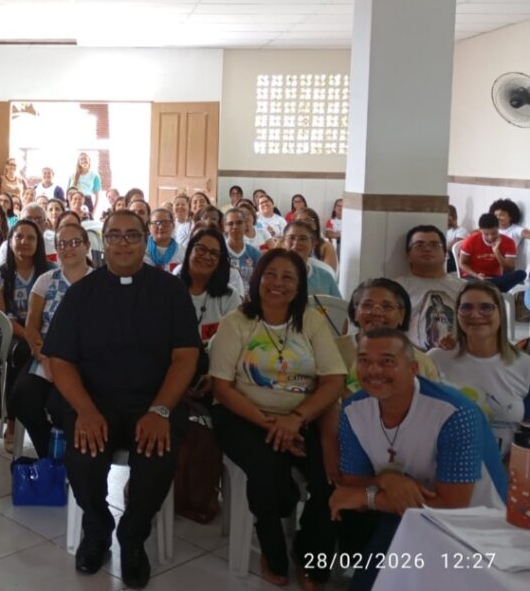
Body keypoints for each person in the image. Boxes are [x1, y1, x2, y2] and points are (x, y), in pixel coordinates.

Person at [41, 210, 200, 588]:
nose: (123, 243)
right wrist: (85, 410)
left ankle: (133, 537)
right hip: (94, 401)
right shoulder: (82, 294)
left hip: (155, 400)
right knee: (82, 455)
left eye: (132, 235)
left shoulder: (170, 291)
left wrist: (160, 410)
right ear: (104, 242)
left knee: (158, 455)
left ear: (146, 240)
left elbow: (186, 357)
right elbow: (59, 361)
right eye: (115, 235)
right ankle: (97, 529)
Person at [330, 328, 506, 591]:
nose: (373, 370)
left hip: (474, 526)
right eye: (364, 360)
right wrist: (387, 480)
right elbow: (352, 482)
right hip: (404, 514)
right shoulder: (353, 409)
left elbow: (452, 505)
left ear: (413, 369)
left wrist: (368, 497)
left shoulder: (455, 413)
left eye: (387, 361)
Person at [209, 248, 345, 588]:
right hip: (241, 415)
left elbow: (333, 380)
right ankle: (272, 549)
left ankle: (310, 553)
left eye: (288, 277)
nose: (277, 283)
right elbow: (222, 388)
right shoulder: (237, 323)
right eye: (270, 274)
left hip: (303, 416)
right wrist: (271, 424)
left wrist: (295, 419)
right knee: (268, 473)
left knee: (330, 477)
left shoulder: (311, 321)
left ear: (299, 286)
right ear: (257, 279)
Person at [11, 222, 91, 458]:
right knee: (22, 397)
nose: (68, 248)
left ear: (87, 246)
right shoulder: (46, 281)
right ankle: (51, 457)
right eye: (62, 244)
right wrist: (42, 355)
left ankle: (73, 458)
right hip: (46, 354)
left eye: (75, 242)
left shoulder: (99, 281)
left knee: (61, 405)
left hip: (84, 360)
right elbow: (31, 325)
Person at [428, 280, 530, 457]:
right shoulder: (436, 359)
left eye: (486, 307)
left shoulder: (524, 365)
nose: (475, 314)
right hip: (444, 467)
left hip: (504, 469)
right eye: (466, 307)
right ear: (457, 314)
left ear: (501, 313)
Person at [0, 219, 53, 453]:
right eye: (19, 237)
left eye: (31, 237)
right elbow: (2, 316)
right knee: (22, 353)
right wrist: (31, 335)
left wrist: (38, 335)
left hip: (43, 332)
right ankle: (13, 421)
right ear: (10, 241)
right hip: (9, 333)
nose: (24, 241)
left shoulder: (49, 272)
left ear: (39, 243)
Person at [337, 278, 441, 395]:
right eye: (367, 305)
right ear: (355, 311)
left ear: (402, 315)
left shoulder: (421, 362)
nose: (376, 313)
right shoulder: (333, 350)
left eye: (387, 307)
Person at [393, 225, 465, 351]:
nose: (427, 249)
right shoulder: (395, 288)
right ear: (408, 255)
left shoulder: (464, 287)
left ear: (445, 254)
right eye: (419, 245)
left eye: (434, 245)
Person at [179, 227, 242, 346]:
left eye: (214, 254)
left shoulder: (230, 296)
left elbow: (234, 342)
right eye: (201, 249)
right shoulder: (171, 290)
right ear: (189, 251)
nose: (206, 256)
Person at [458, 212, 526, 291]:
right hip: (473, 277)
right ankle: (492, 288)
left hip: (495, 278)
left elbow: (509, 269)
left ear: (498, 228)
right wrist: (476, 275)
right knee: (480, 285)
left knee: (521, 274)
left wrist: (497, 252)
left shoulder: (508, 242)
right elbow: (462, 263)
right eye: (486, 234)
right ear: (480, 230)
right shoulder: (471, 241)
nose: (490, 237)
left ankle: (488, 288)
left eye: (494, 233)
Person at [283, 220, 341, 298]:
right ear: (283, 241)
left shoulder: (325, 277)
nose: (296, 243)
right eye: (291, 238)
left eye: (303, 238)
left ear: (313, 243)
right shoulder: (275, 275)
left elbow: (337, 304)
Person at [293, 207, 338, 274]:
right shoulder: (288, 244)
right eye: (299, 221)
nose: (304, 224)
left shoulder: (326, 246)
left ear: (315, 225)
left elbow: (329, 273)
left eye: (308, 220)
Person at [224, 208, 262, 285]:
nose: (235, 227)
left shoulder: (254, 254)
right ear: (225, 227)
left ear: (245, 225)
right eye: (230, 223)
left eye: (239, 223)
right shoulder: (220, 252)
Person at [143, 208, 185, 273]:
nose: (160, 227)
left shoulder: (183, 252)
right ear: (149, 227)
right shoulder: (141, 250)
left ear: (173, 226)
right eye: (156, 223)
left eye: (165, 222)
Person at [445, 204, 467, 273]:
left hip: (453, 259)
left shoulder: (461, 230)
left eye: (450, 215)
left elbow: (452, 247)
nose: (448, 218)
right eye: (446, 215)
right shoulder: (440, 230)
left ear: (454, 217)